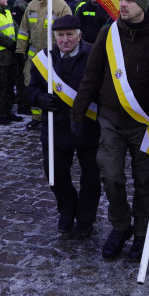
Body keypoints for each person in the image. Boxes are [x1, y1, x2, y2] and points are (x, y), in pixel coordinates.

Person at [72, 0, 149, 261]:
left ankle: (141, 233)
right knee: (111, 177)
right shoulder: (107, 33)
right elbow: (92, 74)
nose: (122, 4)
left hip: (144, 123)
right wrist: (77, 113)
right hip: (110, 118)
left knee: (145, 180)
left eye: (129, 0)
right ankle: (121, 226)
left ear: (143, 4)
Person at [28, 15, 101, 236]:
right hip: (55, 127)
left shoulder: (94, 55)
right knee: (54, 174)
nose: (65, 39)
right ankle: (67, 210)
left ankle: (86, 218)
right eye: (60, 35)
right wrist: (40, 99)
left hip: (89, 126)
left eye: (70, 34)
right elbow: (31, 89)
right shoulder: (44, 59)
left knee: (91, 177)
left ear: (80, 35)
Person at [16, 0, 72, 131]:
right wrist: (20, 49)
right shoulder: (32, 5)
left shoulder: (61, 6)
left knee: (52, 86)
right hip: (33, 55)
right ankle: (37, 118)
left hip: (53, 55)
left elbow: (68, 31)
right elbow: (23, 29)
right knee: (31, 84)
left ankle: (55, 116)